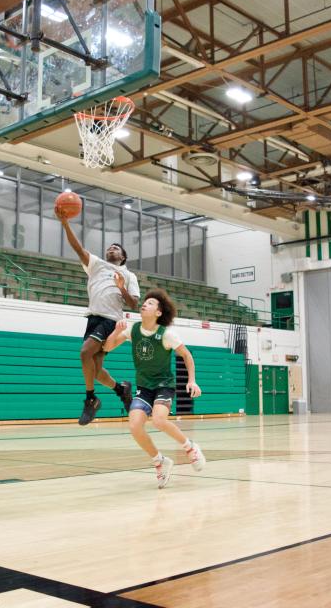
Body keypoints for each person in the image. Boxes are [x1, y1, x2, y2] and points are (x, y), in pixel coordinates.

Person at [103, 289, 206, 489]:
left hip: (164, 386)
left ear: (158, 312)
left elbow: (187, 356)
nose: (144, 304)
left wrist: (192, 381)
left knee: (159, 419)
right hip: (144, 387)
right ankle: (160, 461)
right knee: (134, 426)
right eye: (145, 302)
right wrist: (116, 331)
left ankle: (190, 447)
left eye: (150, 303)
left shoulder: (166, 334)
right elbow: (106, 348)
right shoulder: (132, 330)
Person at [58, 209, 140, 425]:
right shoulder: (96, 264)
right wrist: (65, 223)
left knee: (85, 353)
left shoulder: (129, 275)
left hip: (110, 320)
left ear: (123, 257)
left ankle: (91, 399)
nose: (111, 249)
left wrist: (121, 288)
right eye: (109, 247)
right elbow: (77, 247)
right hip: (93, 319)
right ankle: (121, 389)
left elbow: (134, 303)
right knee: (94, 371)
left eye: (116, 248)